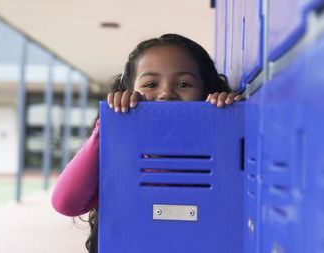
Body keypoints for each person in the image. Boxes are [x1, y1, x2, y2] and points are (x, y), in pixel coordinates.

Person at [51, 33, 243, 253]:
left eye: (183, 83)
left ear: (205, 91)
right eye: (151, 84)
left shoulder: (220, 144)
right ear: (130, 92)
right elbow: (66, 202)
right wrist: (110, 126)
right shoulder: (119, 152)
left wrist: (230, 120)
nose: (165, 93)